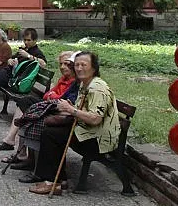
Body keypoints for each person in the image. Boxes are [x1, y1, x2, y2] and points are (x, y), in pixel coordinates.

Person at [26, 51, 121, 195]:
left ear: (94, 68)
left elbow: (95, 119)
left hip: (98, 138)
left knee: (52, 135)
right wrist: (72, 108)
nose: (79, 68)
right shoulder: (85, 84)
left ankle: (52, 181)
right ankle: (56, 179)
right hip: (86, 129)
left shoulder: (97, 88)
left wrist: (72, 110)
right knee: (49, 130)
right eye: (77, 65)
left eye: (84, 65)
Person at [0, 51, 77, 166]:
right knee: (25, 102)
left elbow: (61, 100)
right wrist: (51, 96)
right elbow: (47, 95)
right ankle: (17, 148)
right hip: (48, 105)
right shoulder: (64, 78)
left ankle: (15, 145)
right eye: (61, 64)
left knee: (27, 107)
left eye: (67, 64)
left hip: (58, 110)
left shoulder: (74, 82)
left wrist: (51, 96)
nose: (63, 67)